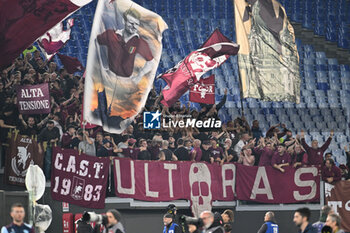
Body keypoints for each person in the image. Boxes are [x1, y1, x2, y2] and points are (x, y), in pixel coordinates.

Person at [97, 8, 154, 79]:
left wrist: (139, 76)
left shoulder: (139, 42)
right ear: (124, 21)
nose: (134, 26)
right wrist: (102, 66)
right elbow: (95, 42)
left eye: (136, 24)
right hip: (109, 75)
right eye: (131, 23)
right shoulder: (110, 34)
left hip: (126, 81)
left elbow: (151, 62)